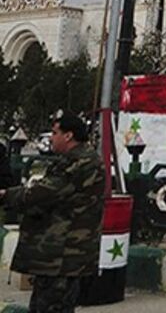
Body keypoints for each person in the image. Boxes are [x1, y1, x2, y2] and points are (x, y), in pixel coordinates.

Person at [1, 115, 105, 313]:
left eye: (55, 133)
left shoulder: (80, 163)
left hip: (62, 254)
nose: (51, 138)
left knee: (51, 305)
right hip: (60, 255)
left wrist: (7, 195)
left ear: (68, 136)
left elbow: (44, 193)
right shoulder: (78, 159)